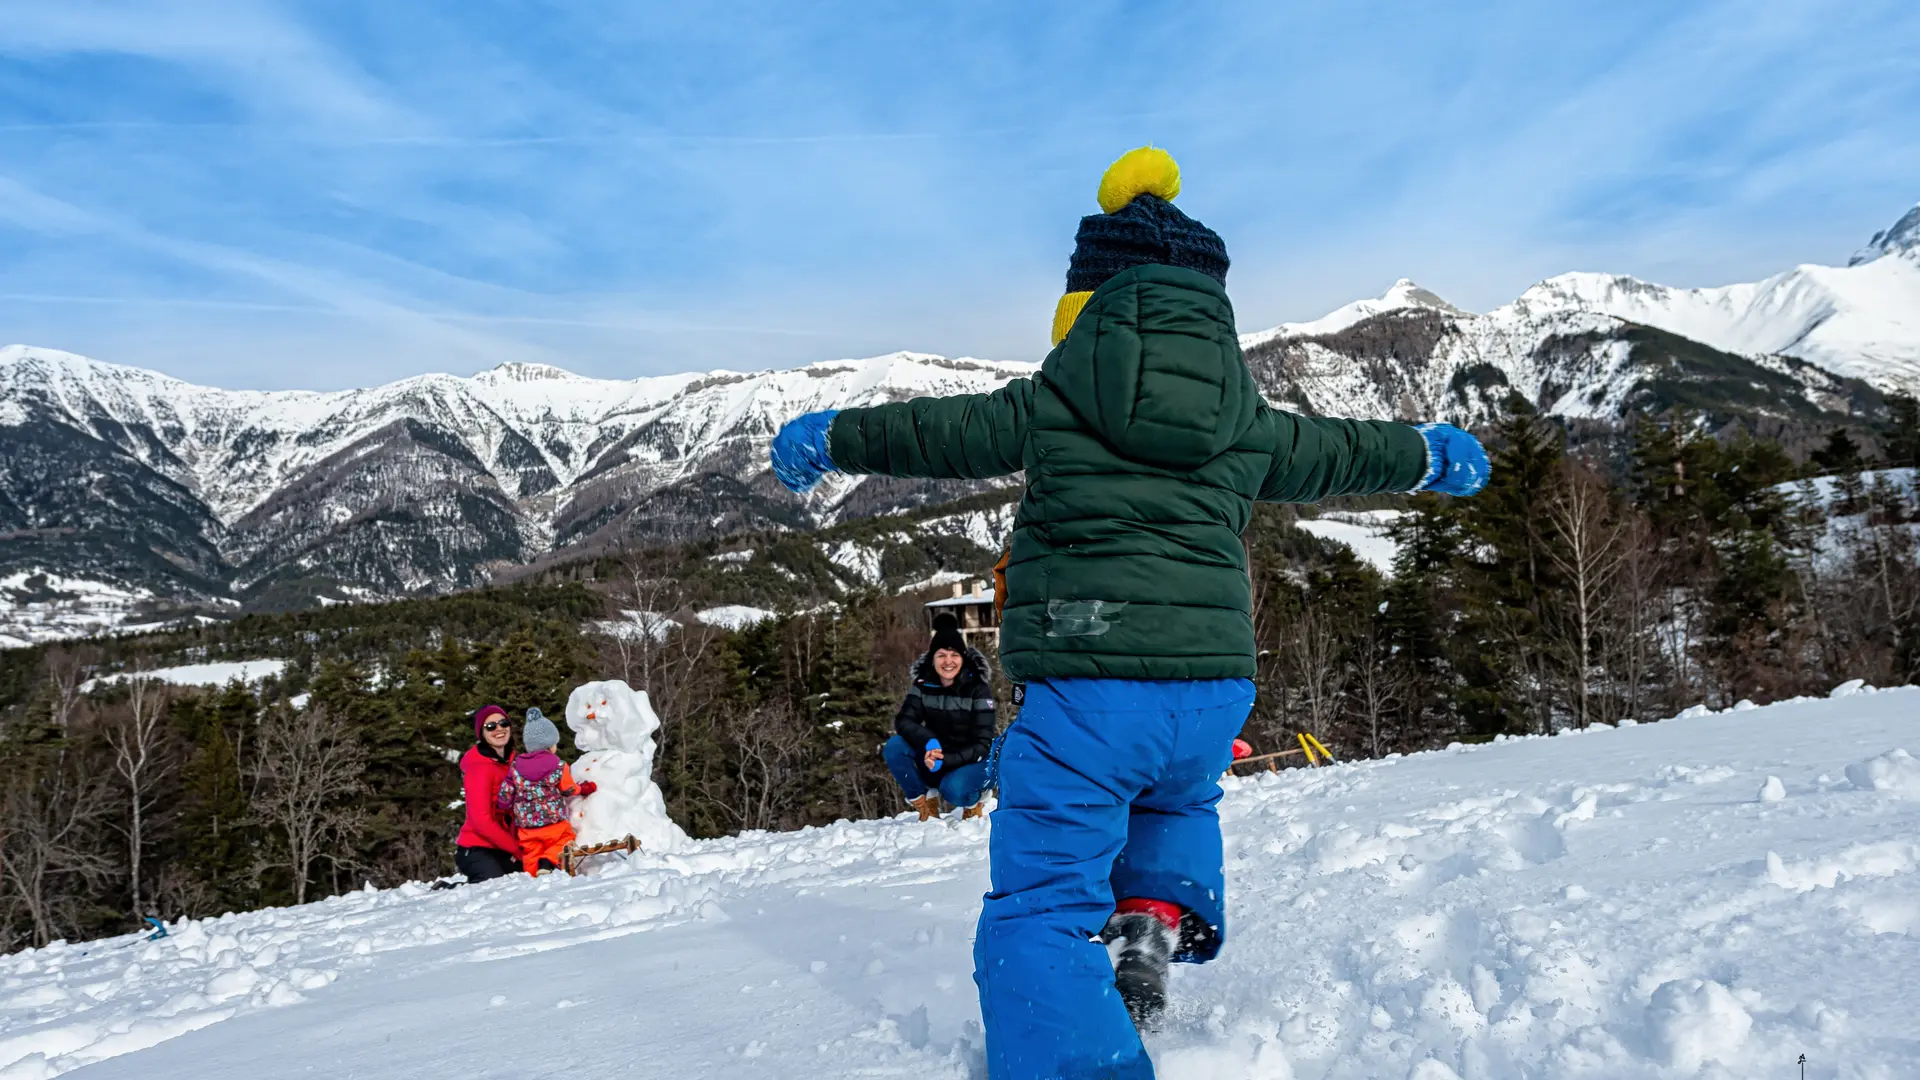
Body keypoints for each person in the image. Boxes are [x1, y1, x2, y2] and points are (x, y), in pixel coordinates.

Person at [769, 146, 1490, 1079]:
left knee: (1040, 902)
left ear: (1088, 306)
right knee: (1177, 793)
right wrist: (1427, 453)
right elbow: (1346, 450)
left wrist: (834, 437)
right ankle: (1152, 918)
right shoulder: (1247, 416)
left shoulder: (1056, 398)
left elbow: (933, 431)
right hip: (1213, 688)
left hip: (1090, 686)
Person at [884, 614, 997, 821]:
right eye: (941, 655)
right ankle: (925, 801)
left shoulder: (978, 689)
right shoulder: (923, 685)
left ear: (963, 658)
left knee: (952, 789)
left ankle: (975, 800)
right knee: (895, 746)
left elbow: (983, 743)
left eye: (954, 655)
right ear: (932, 659)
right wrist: (929, 743)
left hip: (972, 761)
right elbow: (904, 721)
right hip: (935, 757)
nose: (948, 662)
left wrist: (948, 759)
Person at [494, 708, 596, 875]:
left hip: (527, 827)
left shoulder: (515, 767)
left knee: (531, 851)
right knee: (565, 840)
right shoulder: (558, 766)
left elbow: (505, 796)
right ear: (550, 745)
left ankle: (534, 877)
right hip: (554, 822)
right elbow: (569, 788)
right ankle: (548, 861)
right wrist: (584, 788)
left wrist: (504, 805)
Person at [455, 704, 522, 884]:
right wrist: (516, 848)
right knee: (494, 887)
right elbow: (481, 821)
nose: (499, 729)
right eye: (491, 726)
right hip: (477, 848)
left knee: (527, 880)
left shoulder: (511, 761)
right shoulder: (480, 768)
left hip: (502, 845)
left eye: (503, 723)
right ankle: (448, 891)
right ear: (481, 734)